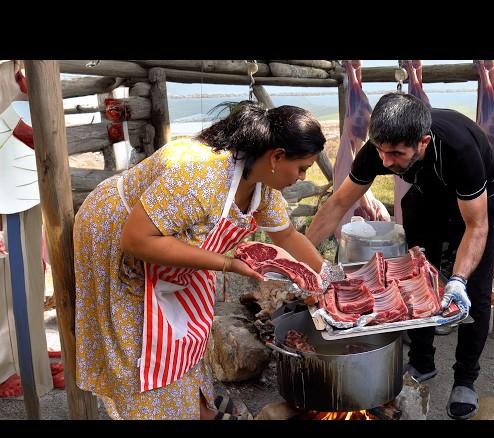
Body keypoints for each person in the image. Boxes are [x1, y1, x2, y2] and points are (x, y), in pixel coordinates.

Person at [74, 101, 328, 420]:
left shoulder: (261, 187)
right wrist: (225, 263)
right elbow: (136, 239)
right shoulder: (200, 177)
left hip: (170, 243)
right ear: (276, 156)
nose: (302, 176)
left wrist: (328, 276)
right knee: (142, 341)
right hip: (117, 235)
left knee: (187, 328)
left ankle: (197, 409)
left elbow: (289, 237)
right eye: (302, 167)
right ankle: (157, 412)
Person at [306, 92, 494, 420]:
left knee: (474, 293)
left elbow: (477, 226)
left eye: (395, 154)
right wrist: (300, 256)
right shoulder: (379, 150)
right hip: (426, 196)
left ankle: (465, 380)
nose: (385, 162)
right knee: (412, 274)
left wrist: (457, 279)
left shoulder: (460, 151)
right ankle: (422, 362)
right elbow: (338, 204)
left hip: (477, 205)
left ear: (423, 142)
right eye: (381, 152)